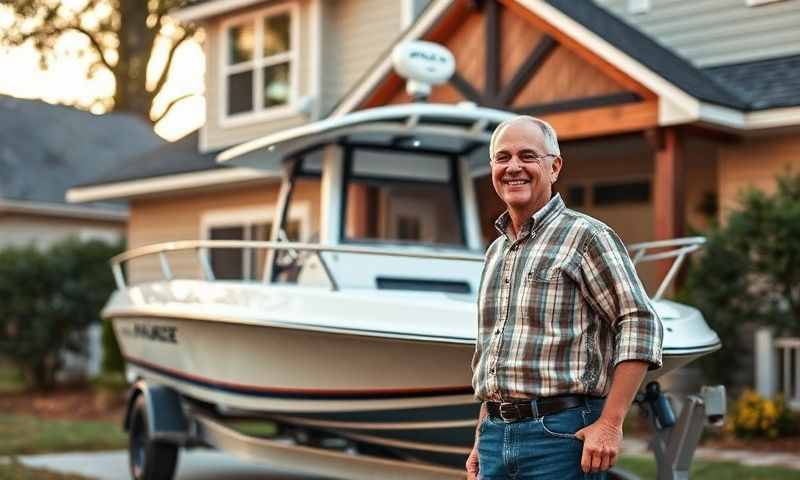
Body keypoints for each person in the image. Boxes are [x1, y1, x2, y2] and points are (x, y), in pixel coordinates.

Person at [466, 116, 663, 480]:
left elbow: (639, 322)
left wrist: (610, 423)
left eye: (528, 156)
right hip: (495, 435)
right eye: (503, 158)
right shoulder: (496, 252)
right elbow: (495, 354)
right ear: (492, 168)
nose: (513, 168)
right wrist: (482, 437)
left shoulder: (586, 237)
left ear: (554, 167)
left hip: (561, 436)